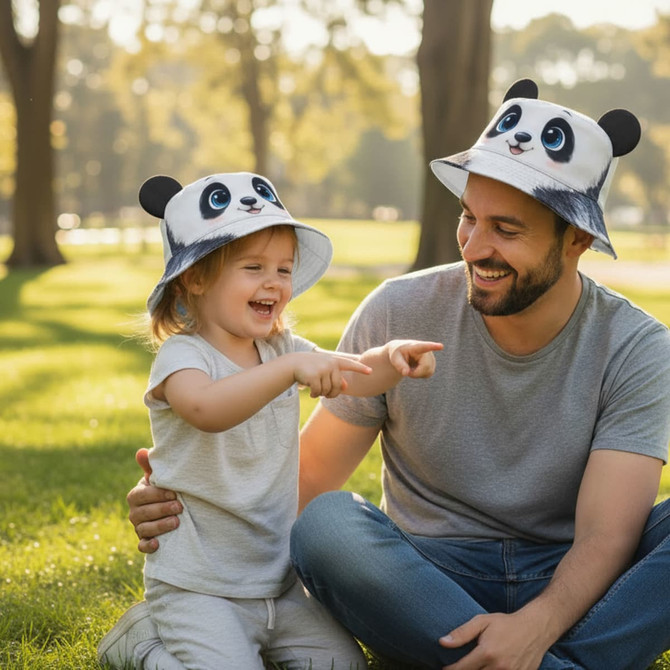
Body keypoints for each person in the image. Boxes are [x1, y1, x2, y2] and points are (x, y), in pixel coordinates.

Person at [123, 79, 670, 670]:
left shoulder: (636, 346)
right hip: (424, 578)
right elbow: (310, 477)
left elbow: (605, 539)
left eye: (505, 230)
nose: (473, 247)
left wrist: (535, 626)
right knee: (330, 525)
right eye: (469, 219)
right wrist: (192, 499)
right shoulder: (397, 310)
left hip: (565, 579)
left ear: (577, 239)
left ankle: (524, 657)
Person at [97, 171, 442, 670]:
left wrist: (392, 357)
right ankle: (145, 648)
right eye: (253, 267)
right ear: (195, 277)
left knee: (343, 666)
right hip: (199, 585)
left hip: (279, 583)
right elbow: (206, 409)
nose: (274, 283)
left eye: (283, 269)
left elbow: (353, 377)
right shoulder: (183, 357)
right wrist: (287, 370)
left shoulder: (280, 350)